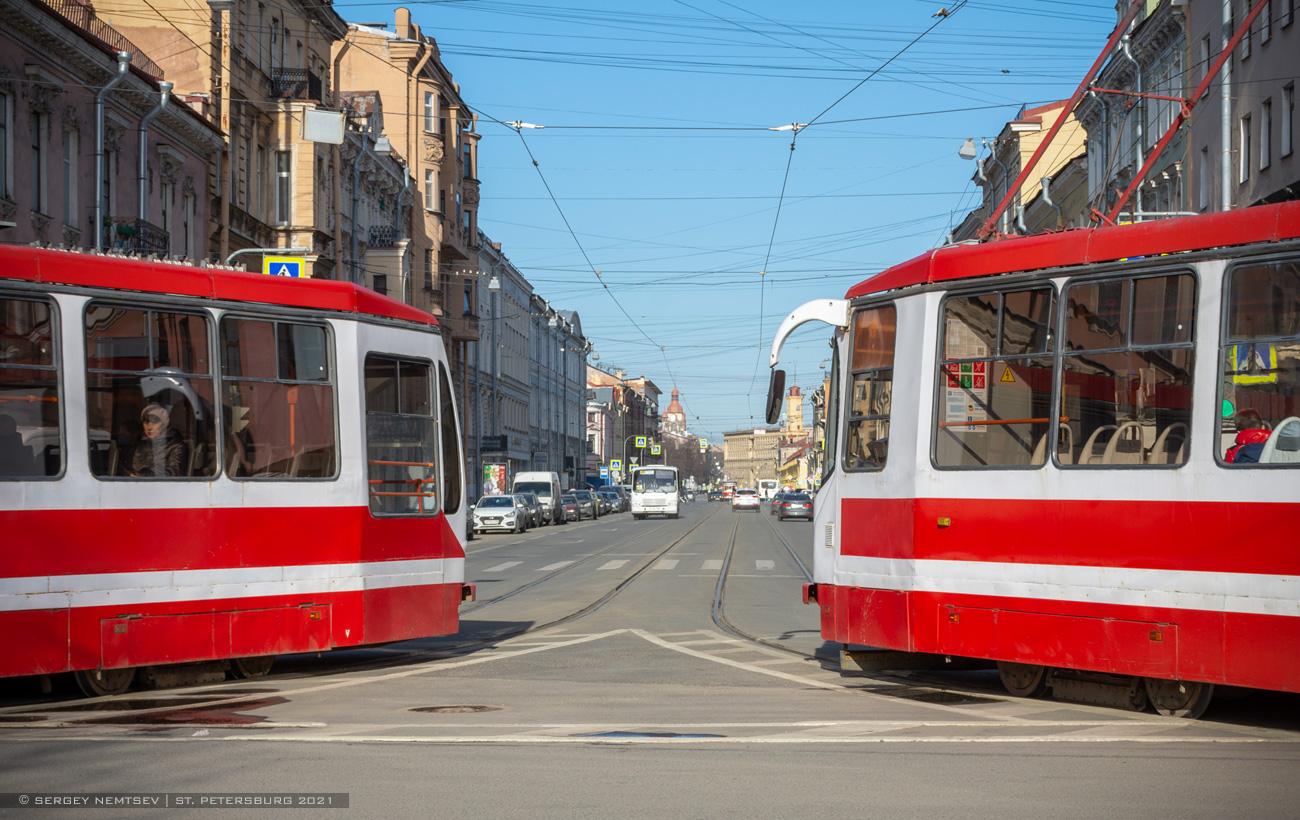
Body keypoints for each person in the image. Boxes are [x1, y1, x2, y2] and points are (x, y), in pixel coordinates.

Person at [125, 403, 187, 477]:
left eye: (154, 422)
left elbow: (174, 473)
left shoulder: (176, 446)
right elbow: (127, 469)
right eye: (146, 422)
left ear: (164, 424)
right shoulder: (138, 446)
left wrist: (144, 476)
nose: (149, 427)